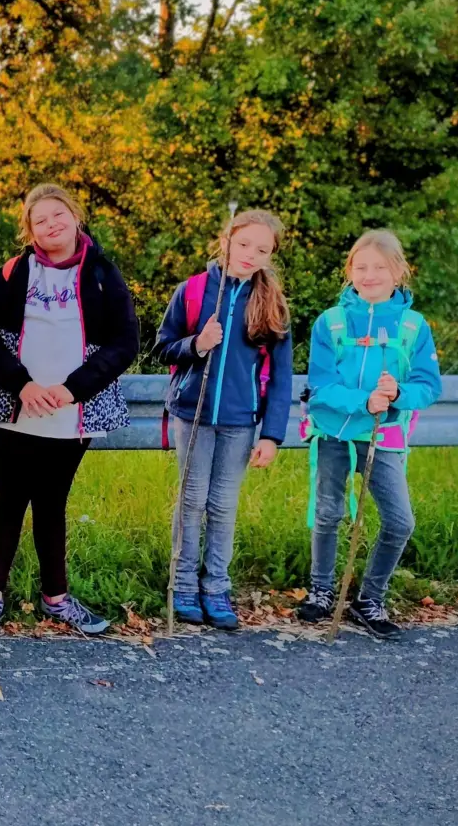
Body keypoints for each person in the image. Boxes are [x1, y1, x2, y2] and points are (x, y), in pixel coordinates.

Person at [0, 184, 138, 636]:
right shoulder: (11, 273)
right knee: (9, 498)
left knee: (51, 502)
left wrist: (72, 389)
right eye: (40, 220)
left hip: (73, 410)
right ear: (30, 229)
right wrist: (22, 385)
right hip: (15, 405)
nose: (51, 225)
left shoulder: (103, 273)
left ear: (75, 217)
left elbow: (125, 342)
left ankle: (56, 597)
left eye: (58, 214)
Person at [295, 230, 442, 640]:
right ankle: (321, 591)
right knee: (329, 513)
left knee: (399, 521)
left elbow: (429, 385)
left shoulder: (414, 326)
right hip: (333, 432)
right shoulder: (332, 322)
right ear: (349, 272)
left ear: (399, 272)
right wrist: (364, 401)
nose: (369, 274)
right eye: (360, 267)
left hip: (384, 436)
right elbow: (321, 385)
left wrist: (397, 394)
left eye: (379, 267)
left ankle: (369, 598)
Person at [152, 210, 294, 630]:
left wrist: (271, 434)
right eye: (245, 244)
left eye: (263, 249)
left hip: (239, 420)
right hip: (192, 414)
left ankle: (216, 587)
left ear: (271, 256)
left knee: (223, 505)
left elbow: (281, 377)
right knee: (192, 501)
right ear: (227, 239)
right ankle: (182, 586)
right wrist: (197, 343)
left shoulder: (271, 303)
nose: (251, 254)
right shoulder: (193, 290)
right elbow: (162, 347)